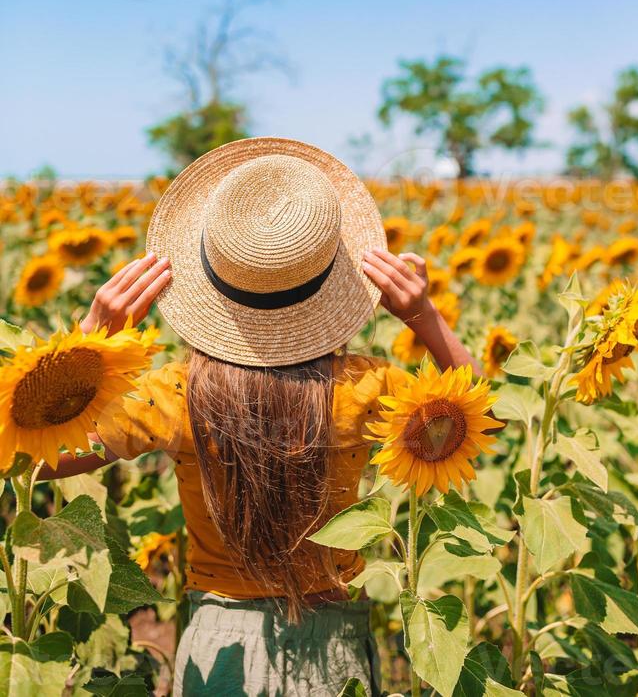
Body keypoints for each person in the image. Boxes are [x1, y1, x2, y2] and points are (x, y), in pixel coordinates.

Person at [42, 137, 478, 697]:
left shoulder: (175, 395)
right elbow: (477, 418)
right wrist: (424, 316)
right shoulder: (367, 388)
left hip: (220, 645)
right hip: (334, 647)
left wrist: (88, 347)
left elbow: (41, 460)